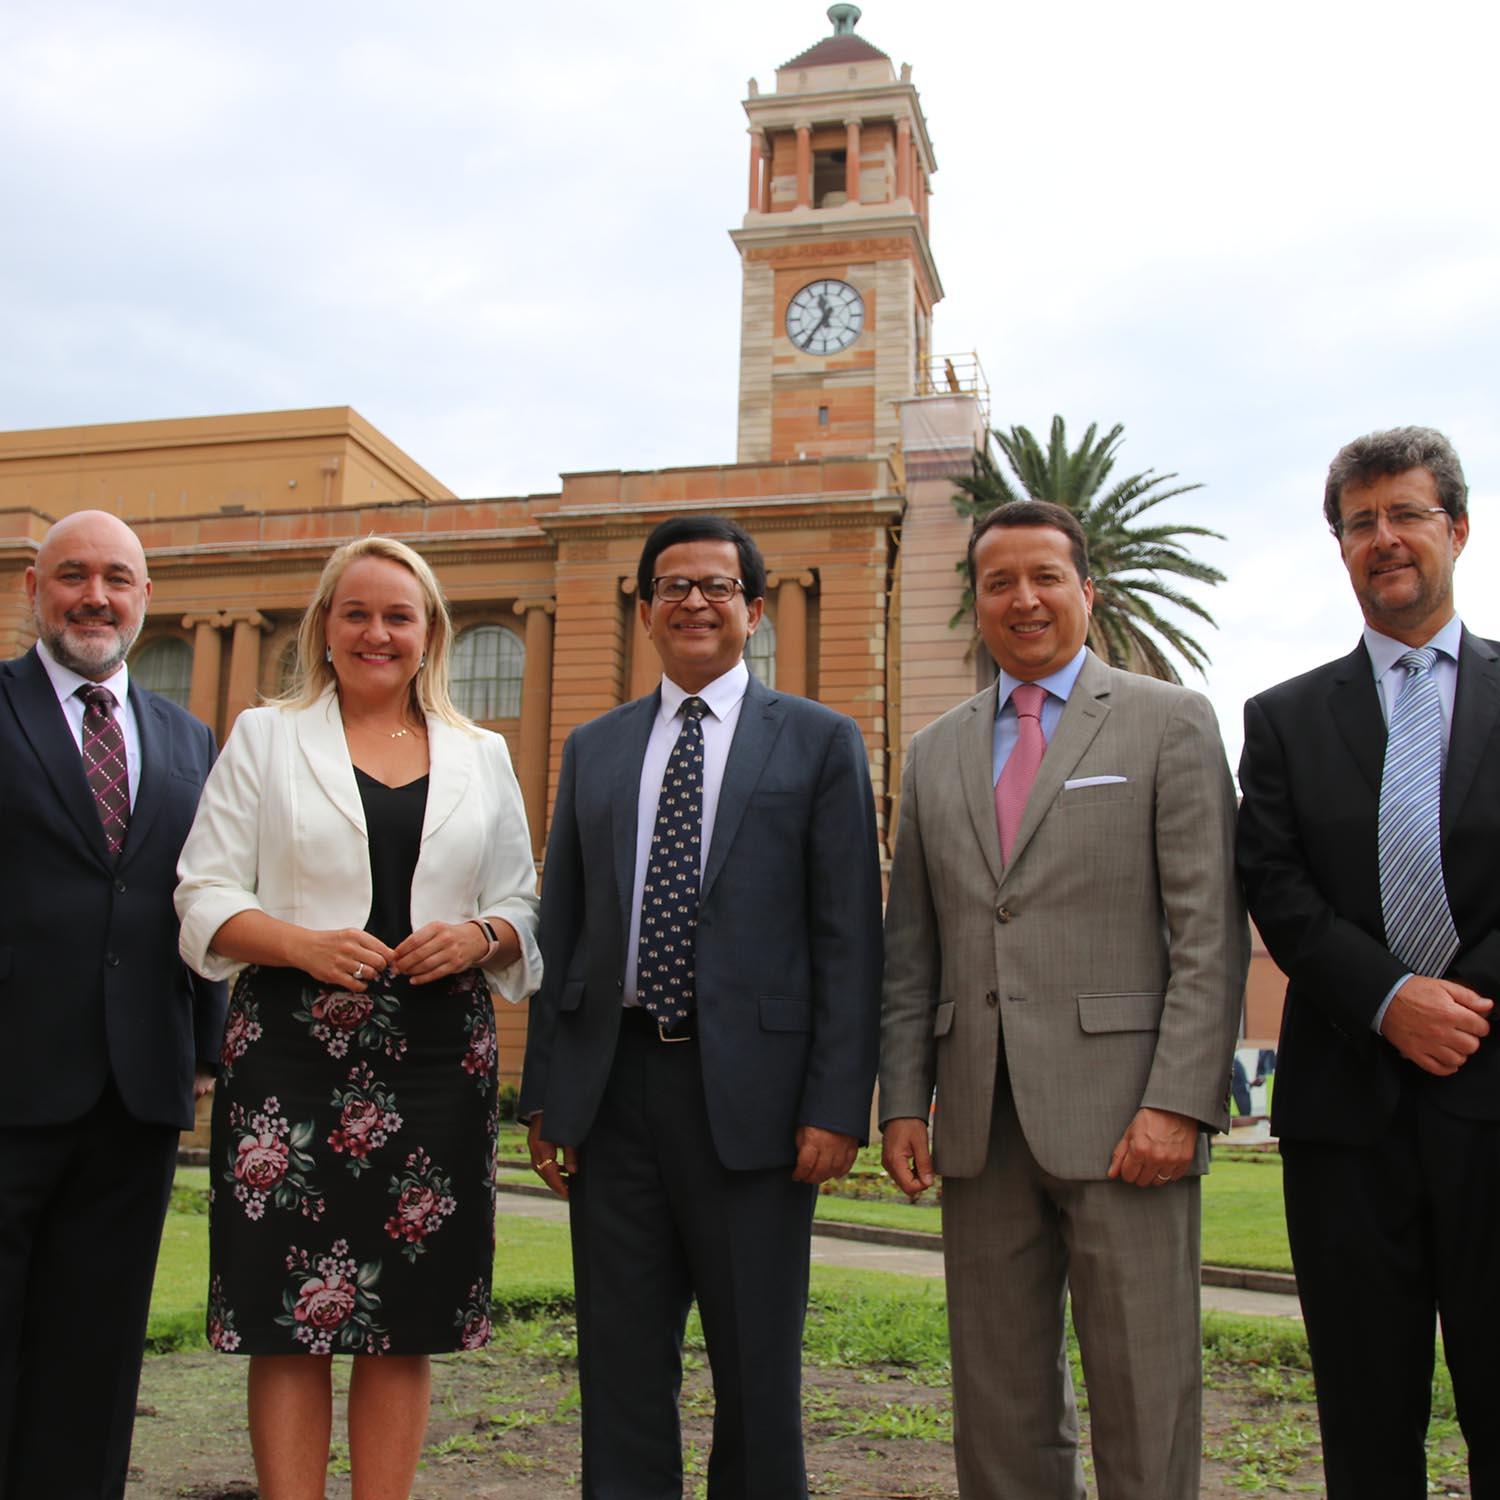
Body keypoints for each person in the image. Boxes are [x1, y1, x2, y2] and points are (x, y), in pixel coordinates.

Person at [880, 499, 1247, 1500]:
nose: (1023, 598)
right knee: (997, 1400)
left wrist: (1180, 1100)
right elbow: (913, 946)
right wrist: (903, 1100)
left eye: (1045, 576)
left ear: (1088, 590)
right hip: (979, 1125)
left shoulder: (1169, 722)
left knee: (1144, 1386)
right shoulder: (934, 752)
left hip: (1131, 1119)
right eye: (999, 581)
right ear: (978, 602)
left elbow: (1208, 933)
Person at [519, 515, 883, 1499]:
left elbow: (849, 936)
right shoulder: (594, 750)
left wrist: (837, 1102)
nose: (694, 601)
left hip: (760, 1108)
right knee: (620, 1367)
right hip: (614, 1093)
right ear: (645, 612)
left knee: (758, 1371)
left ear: (754, 611)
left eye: (717, 586)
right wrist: (544, 1090)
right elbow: (566, 921)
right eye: (673, 586)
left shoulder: (818, 742)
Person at [175, 536, 541, 1500]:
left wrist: (480, 935)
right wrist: (300, 944)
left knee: (406, 1317)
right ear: (324, 628)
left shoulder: (483, 753)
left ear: (429, 636)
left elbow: (525, 904)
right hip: (291, 1053)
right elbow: (203, 893)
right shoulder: (264, 735)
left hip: (434, 1061)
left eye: (398, 616)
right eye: (357, 613)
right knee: (286, 1317)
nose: (377, 632)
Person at [1237, 426, 1499, 1498]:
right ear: (1339, 545)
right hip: (1345, 1116)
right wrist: (1388, 999)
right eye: (1359, 523)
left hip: (1496, 1097)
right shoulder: (1284, 718)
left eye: (1406, 514)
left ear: (1459, 529)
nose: (1383, 538)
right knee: (1365, 1421)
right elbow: (1277, 887)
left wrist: (1459, 1003)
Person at [0, 510, 226, 1499]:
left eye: (118, 579)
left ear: (145, 599)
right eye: (73, 576)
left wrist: (207, 1048)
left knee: (96, 1349)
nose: (96, 596)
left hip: (137, 1083)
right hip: (7, 1075)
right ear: (34, 592)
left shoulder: (187, 738)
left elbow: (205, 895)